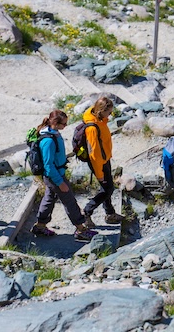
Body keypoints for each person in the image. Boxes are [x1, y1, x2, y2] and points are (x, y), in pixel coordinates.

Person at [30, 110, 98, 242]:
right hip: (55, 177)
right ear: (55, 123)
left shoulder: (53, 134)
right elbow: (48, 166)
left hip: (55, 175)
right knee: (70, 201)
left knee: (49, 199)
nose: (66, 126)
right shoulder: (48, 141)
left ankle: (40, 226)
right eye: (64, 124)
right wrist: (60, 182)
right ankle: (80, 229)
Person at [82, 97, 124, 228]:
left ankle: (110, 214)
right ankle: (86, 212)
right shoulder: (92, 128)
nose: (110, 115)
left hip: (104, 159)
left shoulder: (100, 119)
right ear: (101, 110)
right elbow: (94, 155)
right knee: (108, 189)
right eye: (109, 112)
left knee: (106, 187)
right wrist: (99, 173)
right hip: (98, 162)